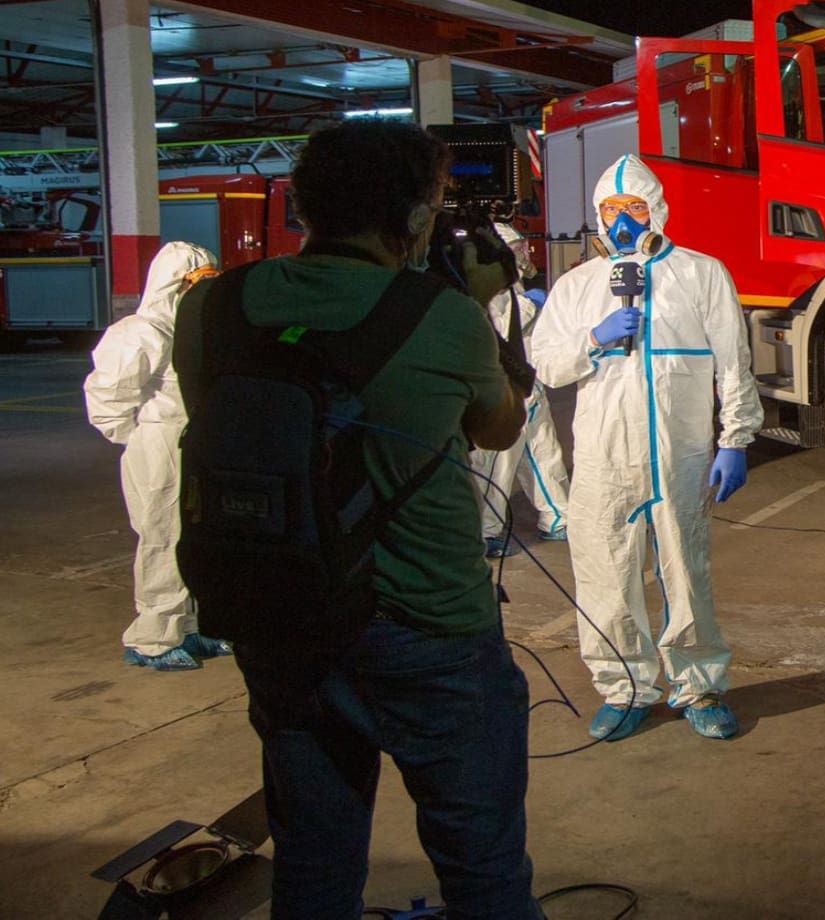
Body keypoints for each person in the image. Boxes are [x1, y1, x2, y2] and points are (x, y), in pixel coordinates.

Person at [173, 120, 544, 917]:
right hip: (429, 625)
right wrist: (477, 304)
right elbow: (500, 427)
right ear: (412, 218)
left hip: (280, 616)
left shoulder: (210, 309)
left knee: (313, 859)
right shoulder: (441, 315)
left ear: (304, 206)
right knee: (481, 866)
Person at [528, 154, 761, 741]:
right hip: (603, 458)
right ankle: (624, 687)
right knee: (605, 573)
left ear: (656, 209)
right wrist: (594, 339)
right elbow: (547, 365)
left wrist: (735, 438)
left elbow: (733, 362)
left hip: (680, 455)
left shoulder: (701, 274)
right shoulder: (578, 286)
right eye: (611, 210)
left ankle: (699, 685)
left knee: (687, 571)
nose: (623, 221)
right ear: (597, 215)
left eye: (633, 207)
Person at [84, 240, 231, 671]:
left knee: (198, 536)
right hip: (159, 446)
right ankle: (153, 638)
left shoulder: (195, 330)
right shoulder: (141, 332)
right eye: (196, 282)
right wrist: (140, 437)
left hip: (193, 443)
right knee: (163, 537)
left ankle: (192, 625)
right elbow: (108, 398)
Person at [476, 280, 570, 555]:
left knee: (544, 455)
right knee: (498, 465)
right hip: (504, 388)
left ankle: (557, 517)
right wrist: (528, 304)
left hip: (528, 385)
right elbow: (498, 331)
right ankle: (485, 531)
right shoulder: (485, 286)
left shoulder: (510, 284)